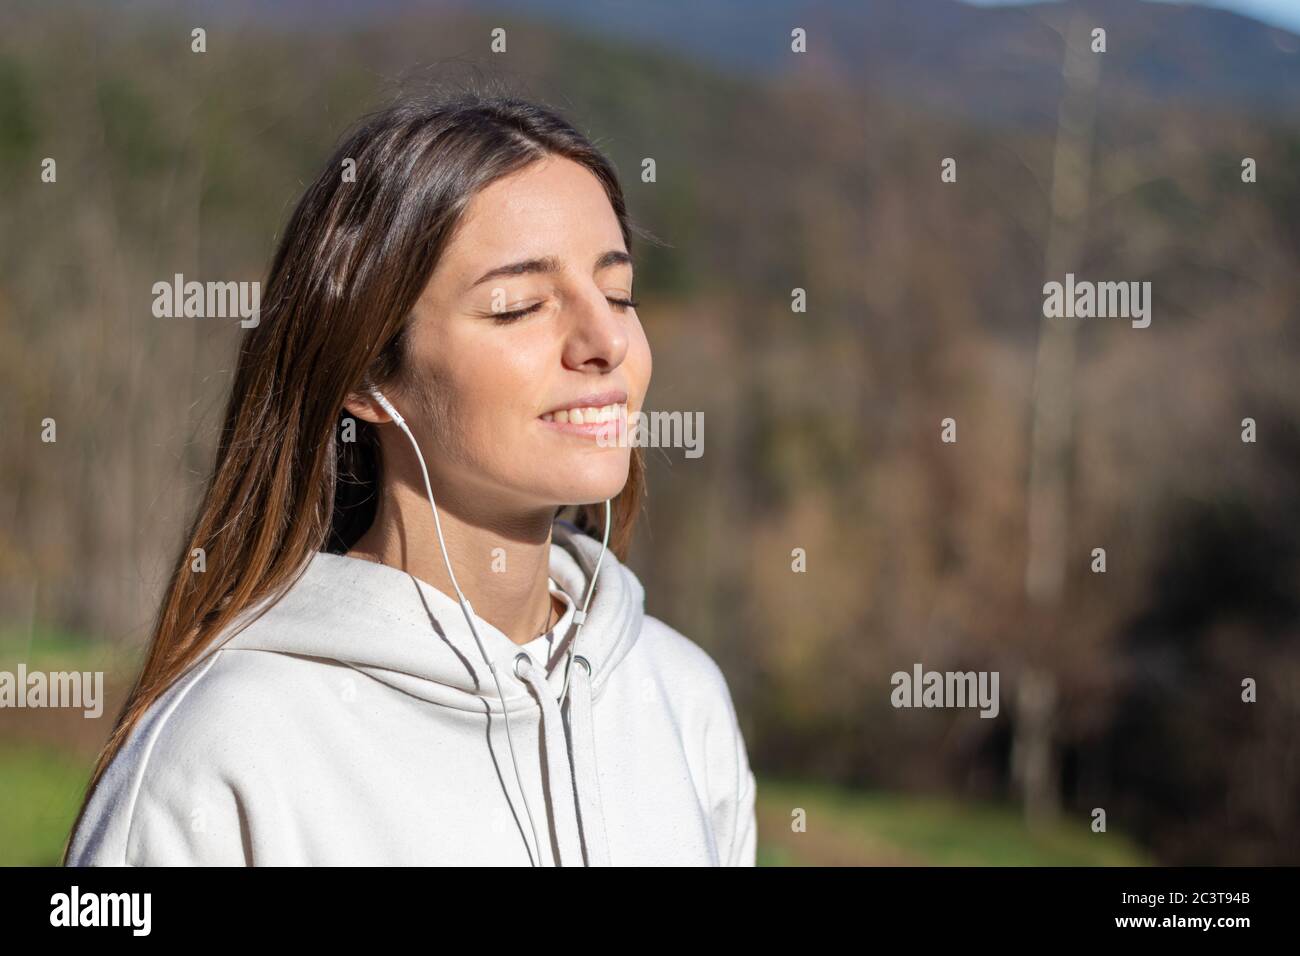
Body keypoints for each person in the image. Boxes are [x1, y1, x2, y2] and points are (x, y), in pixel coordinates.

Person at [62, 91, 757, 866]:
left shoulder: (680, 698)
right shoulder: (223, 756)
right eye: (519, 306)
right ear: (367, 374)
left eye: (617, 293)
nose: (605, 341)